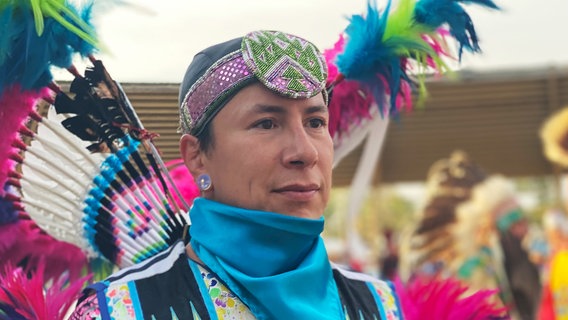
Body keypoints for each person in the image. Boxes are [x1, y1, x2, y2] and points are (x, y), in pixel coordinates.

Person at [69, 30, 403, 320]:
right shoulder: (118, 310)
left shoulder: (381, 304)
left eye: (315, 122)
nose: (305, 153)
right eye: (266, 123)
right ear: (197, 157)